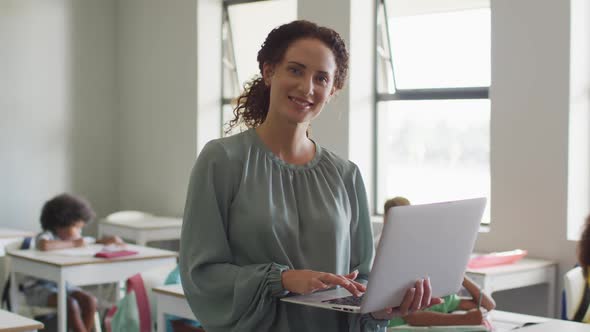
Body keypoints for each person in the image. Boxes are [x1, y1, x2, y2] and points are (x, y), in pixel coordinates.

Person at [179, 20, 441, 332]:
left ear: (333, 91)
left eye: (321, 78)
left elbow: (362, 282)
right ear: (268, 71)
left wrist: (386, 307)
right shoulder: (221, 161)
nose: (307, 87)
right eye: (295, 70)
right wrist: (283, 278)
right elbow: (201, 275)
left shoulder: (346, 175)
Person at [382, 196, 496, 327]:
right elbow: (412, 317)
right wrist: (463, 320)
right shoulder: (400, 264)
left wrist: (459, 273)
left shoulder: (445, 294)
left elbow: (489, 305)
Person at [22, 193, 123, 332]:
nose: (79, 232)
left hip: (63, 286)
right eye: (76, 227)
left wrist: (108, 240)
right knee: (70, 304)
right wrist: (74, 243)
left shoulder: (72, 240)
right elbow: (44, 245)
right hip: (37, 289)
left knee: (90, 301)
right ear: (60, 225)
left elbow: (89, 241)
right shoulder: (47, 236)